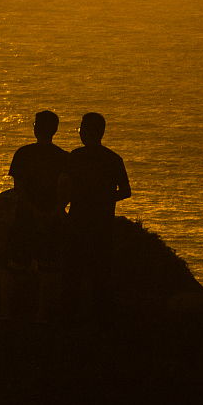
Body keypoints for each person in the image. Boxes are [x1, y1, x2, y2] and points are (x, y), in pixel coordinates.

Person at [0, 110, 73, 322]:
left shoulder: (23, 153)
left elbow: (19, 188)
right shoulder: (64, 157)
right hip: (52, 219)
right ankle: (42, 315)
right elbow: (66, 191)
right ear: (55, 130)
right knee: (48, 269)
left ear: (35, 128)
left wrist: (33, 212)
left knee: (12, 266)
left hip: (24, 217)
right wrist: (52, 214)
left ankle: (5, 313)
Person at [63, 112, 132, 323]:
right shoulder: (113, 158)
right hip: (103, 224)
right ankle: (105, 318)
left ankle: (69, 316)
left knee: (72, 273)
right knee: (101, 273)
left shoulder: (74, 157)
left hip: (77, 222)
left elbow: (64, 187)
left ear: (85, 132)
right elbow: (126, 191)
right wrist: (107, 197)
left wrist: (61, 208)